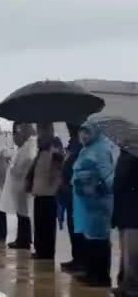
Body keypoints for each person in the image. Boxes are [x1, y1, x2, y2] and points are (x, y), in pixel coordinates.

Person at [72, 119, 117, 287]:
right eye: (81, 131)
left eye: (87, 131)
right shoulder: (86, 149)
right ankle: (91, 273)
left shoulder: (102, 149)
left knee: (99, 240)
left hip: (99, 202)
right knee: (89, 239)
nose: (83, 135)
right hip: (87, 203)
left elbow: (108, 177)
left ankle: (101, 277)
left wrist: (98, 187)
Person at [28, 122, 64, 260]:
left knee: (47, 224)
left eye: (42, 129)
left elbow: (58, 166)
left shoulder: (54, 145)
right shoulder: (41, 146)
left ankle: (47, 252)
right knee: (39, 223)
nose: (40, 132)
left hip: (49, 192)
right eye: (39, 129)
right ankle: (40, 249)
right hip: (39, 190)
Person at [1, 122, 37, 250]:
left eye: (15, 135)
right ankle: (22, 239)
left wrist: (12, 167)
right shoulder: (24, 146)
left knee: (24, 214)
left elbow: (23, 165)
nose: (14, 139)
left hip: (22, 185)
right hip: (19, 186)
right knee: (21, 214)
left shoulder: (29, 147)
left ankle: (24, 240)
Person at [112, 139, 138, 297]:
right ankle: (124, 283)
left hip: (133, 211)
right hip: (123, 210)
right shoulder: (124, 155)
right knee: (125, 251)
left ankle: (132, 288)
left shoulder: (132, 156)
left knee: (132, 253)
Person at [59, 123, 86, 274]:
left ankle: (80, 261)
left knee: (77, 229)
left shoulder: (79, 147)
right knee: (72, 227)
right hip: (68, 194)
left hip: (74, 194)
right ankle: (77, 259)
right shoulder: (72, 145)